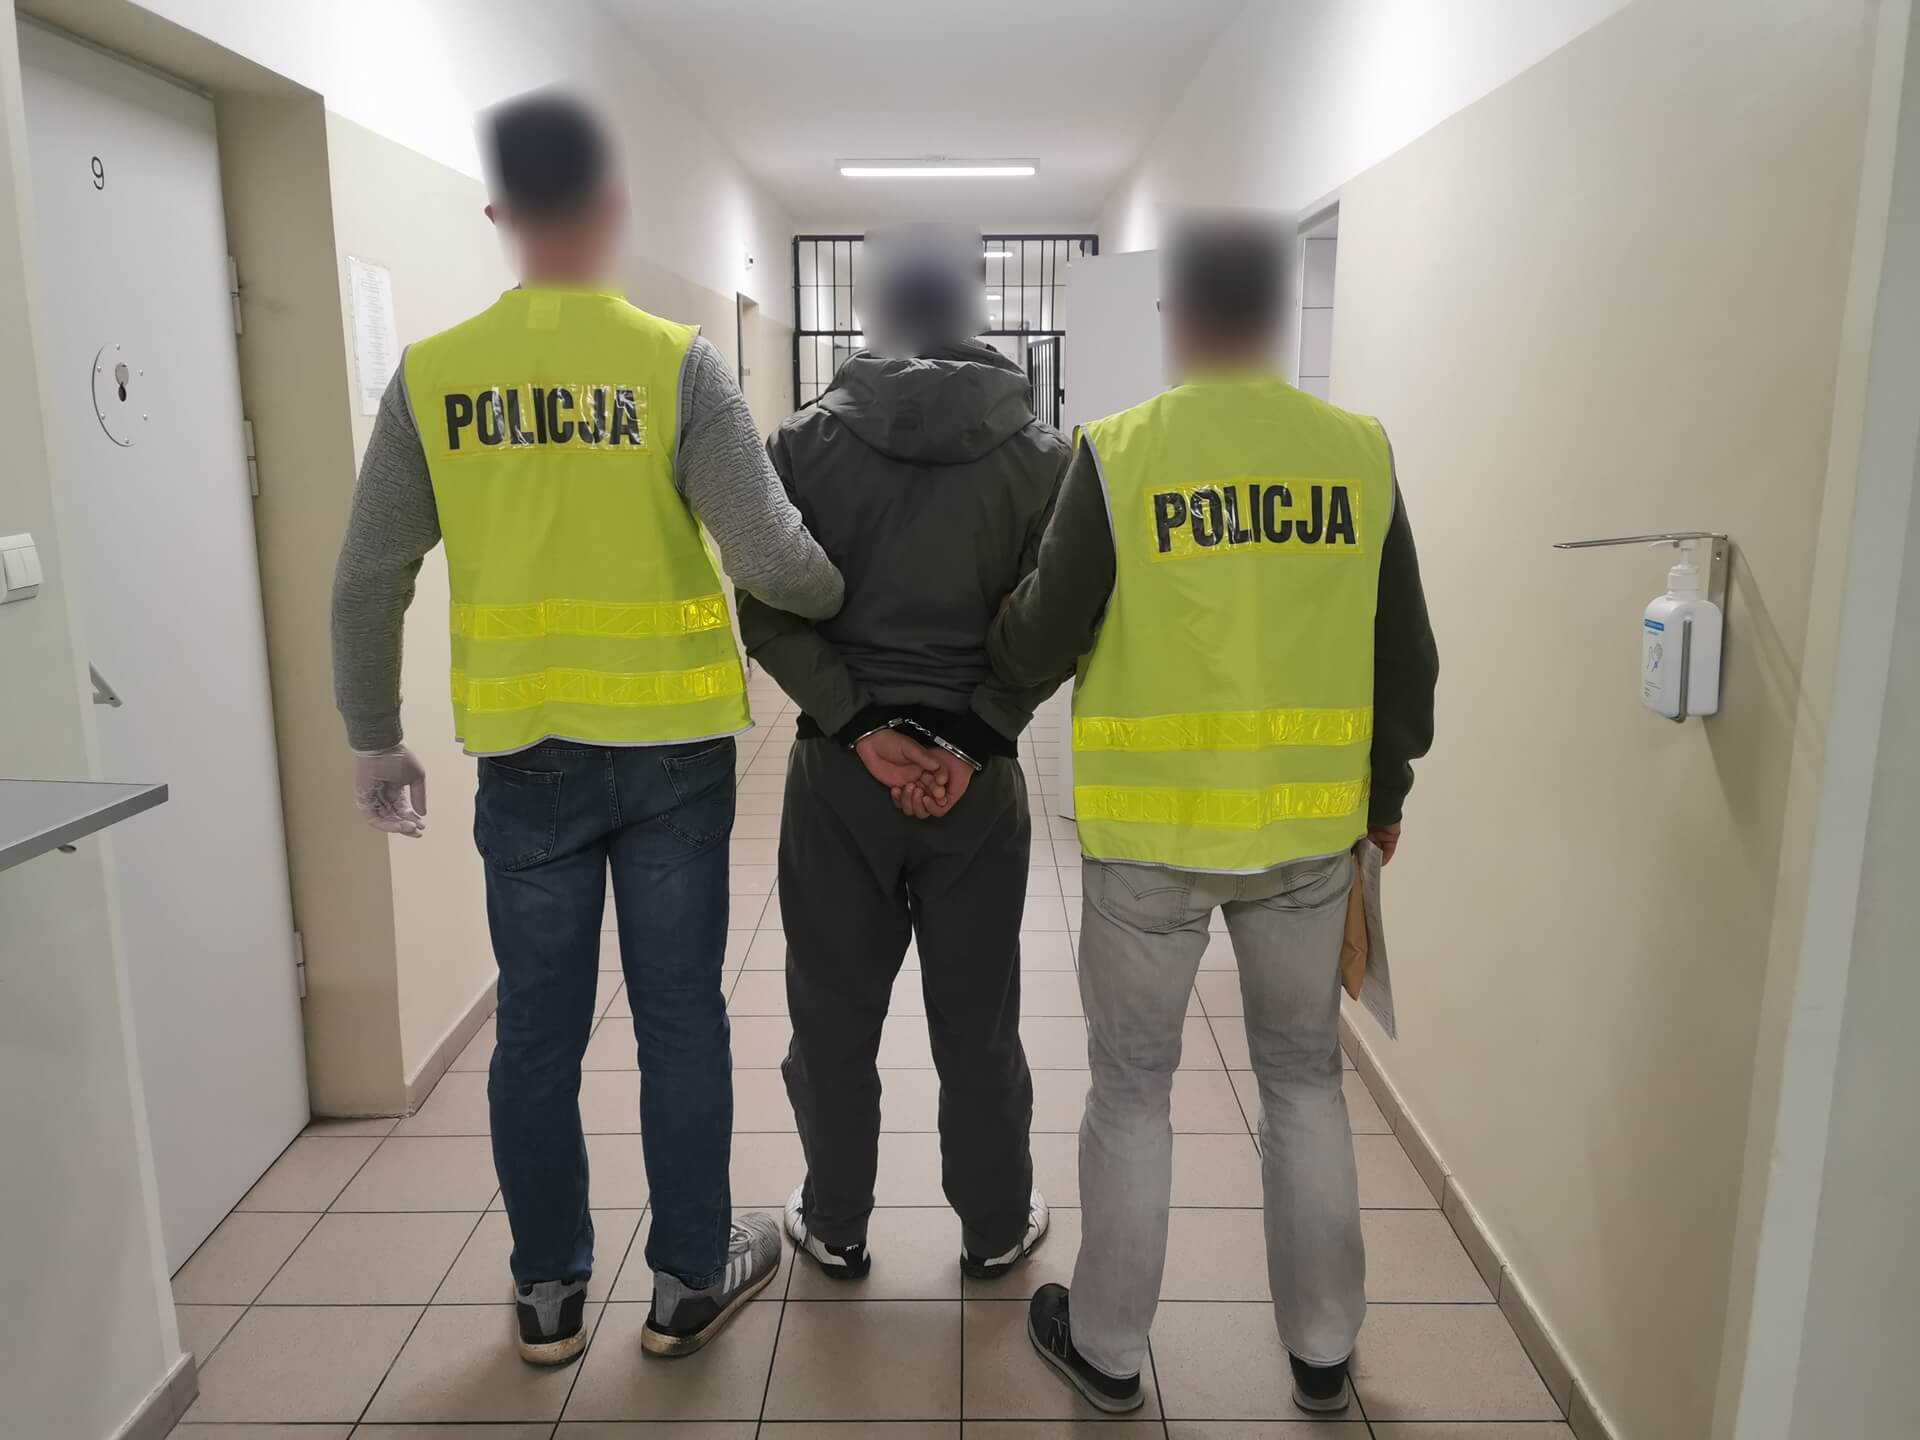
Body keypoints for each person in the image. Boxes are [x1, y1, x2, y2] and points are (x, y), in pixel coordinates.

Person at [329, 90, 844, 1365]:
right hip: (672, 752)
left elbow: (368, 576)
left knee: (535, 1036)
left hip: (528, 754)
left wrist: (374, 732)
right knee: (681, 1023)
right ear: (613, 209)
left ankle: (549, 1295)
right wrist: (845, 594)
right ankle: (686, 1283)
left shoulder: (434, 376)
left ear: (499, 213)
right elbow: (771, 557)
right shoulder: (675, 362)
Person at [990, 217, 1439, 1415]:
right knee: (1304, 1083)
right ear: (1281, 313)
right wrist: (1384, 797)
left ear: (1174, 313)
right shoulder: (1358, 452)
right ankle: (1324, 1352)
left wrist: (995, 643)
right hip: (1308, 837)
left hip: (1153, 841)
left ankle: (1108, 1350)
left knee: (1133, 1091)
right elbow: (1408, 652)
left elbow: (1039, 637)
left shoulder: (1121, 452)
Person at [738, 224, 1067, 1285]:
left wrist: (860, 724)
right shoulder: (1045, 458)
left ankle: (836, 1223)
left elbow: (766, 610)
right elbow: (1058, 620)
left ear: (876, 308)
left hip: (841, 774)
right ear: (974, 307)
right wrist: (971, 735)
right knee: (978, 1019)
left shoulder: (800, 447)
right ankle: (993, 1226)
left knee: (833, 1012)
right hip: (979, 783)